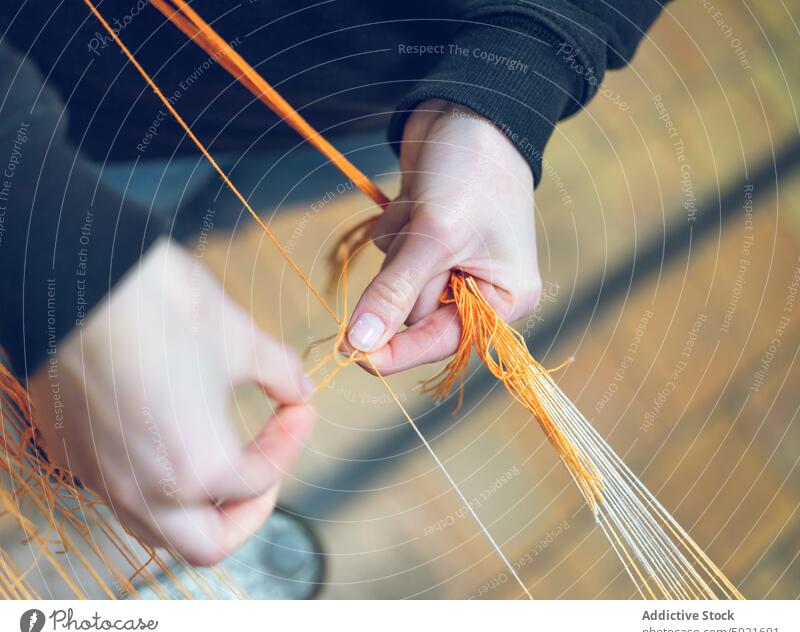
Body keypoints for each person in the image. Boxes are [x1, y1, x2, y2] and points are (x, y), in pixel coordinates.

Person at [0, 1, 666, 565]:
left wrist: (514, 82)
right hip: (64, 96)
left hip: (382, 109)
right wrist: (52, 257)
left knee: (199, 217)